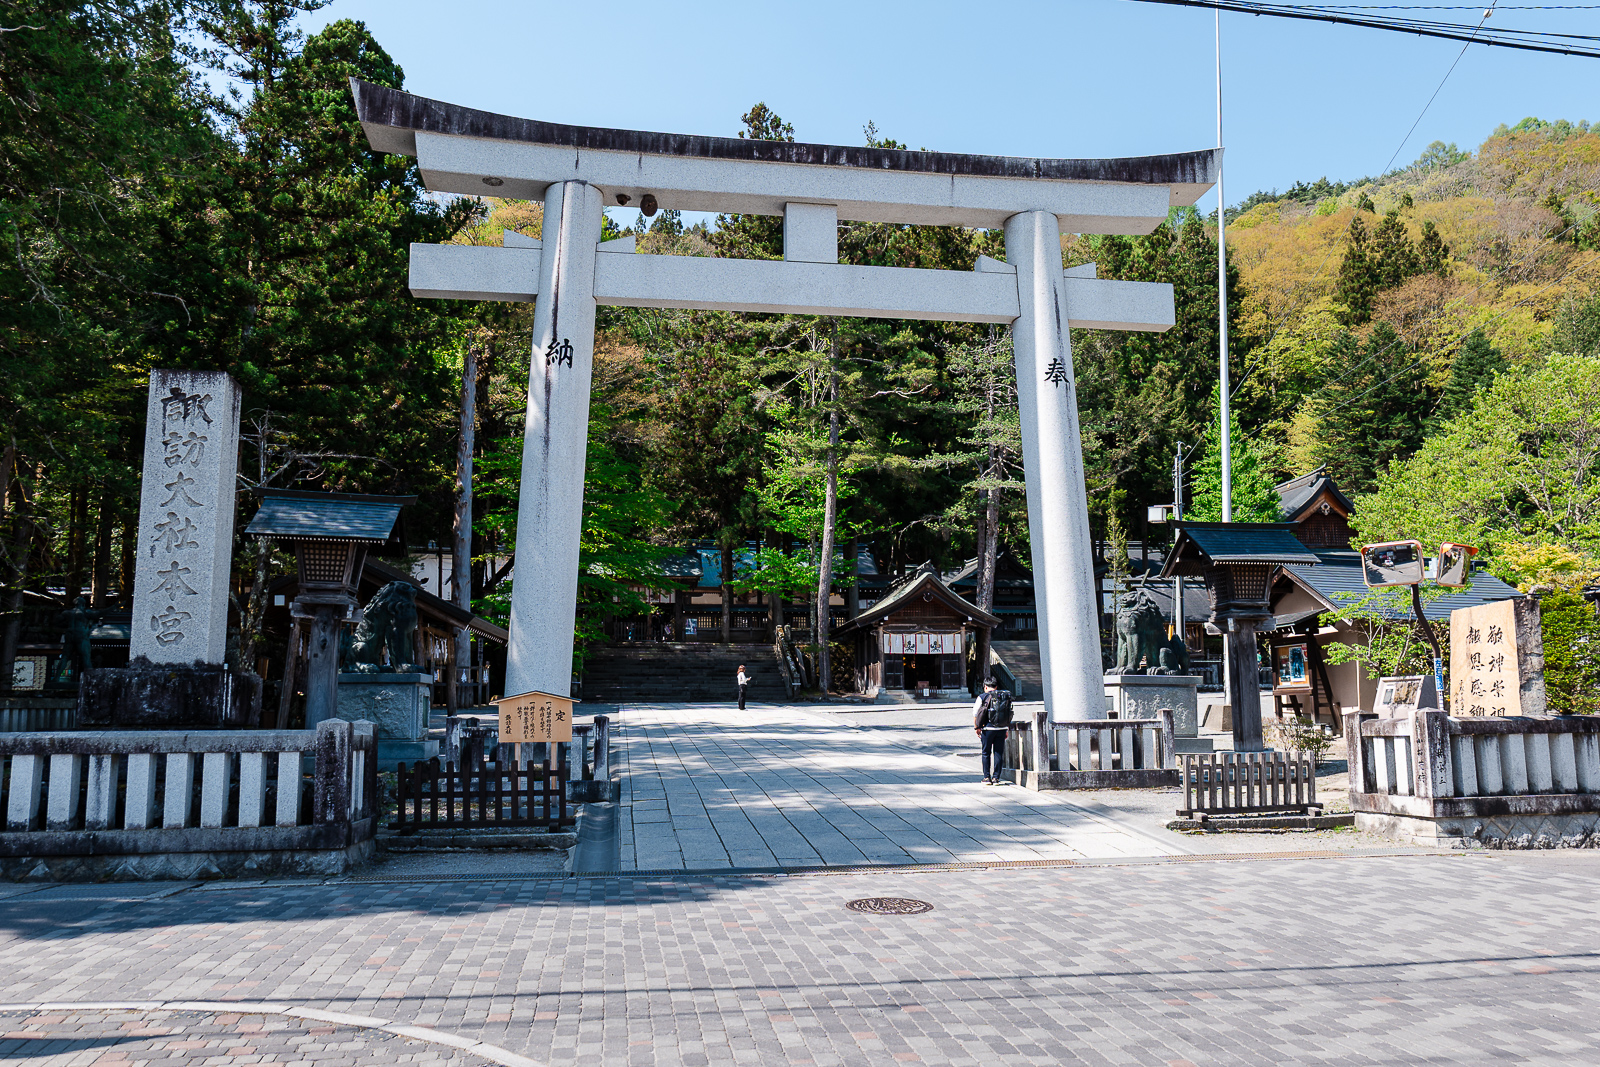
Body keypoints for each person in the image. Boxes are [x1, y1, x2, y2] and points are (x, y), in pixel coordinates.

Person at [972, 677, 1014, 785]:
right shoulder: (1004, 696)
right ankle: (996, 778)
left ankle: (987, 777)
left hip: (987, 728)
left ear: (985, 687)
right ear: (996, 687)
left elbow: (975, 713)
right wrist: (1006, 729)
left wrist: (977, 727)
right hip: (1001, 728)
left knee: (986, 752)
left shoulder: (982, 696)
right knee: (998, 752)